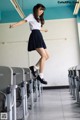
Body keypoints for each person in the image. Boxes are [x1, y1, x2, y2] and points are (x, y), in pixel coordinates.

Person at [9, 3, 49, 84]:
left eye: (43, 10)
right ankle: (40, 76)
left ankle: (34, 67)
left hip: (39, 35)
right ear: (36, 9)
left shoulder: (38, 18)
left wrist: (44, 30)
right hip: (35, 35)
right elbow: (23, 21)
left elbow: (37, 28)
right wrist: (14, 25)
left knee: (47, 56)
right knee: (43, 56)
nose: (41, 11)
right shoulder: (31, 16)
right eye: (40, 9)